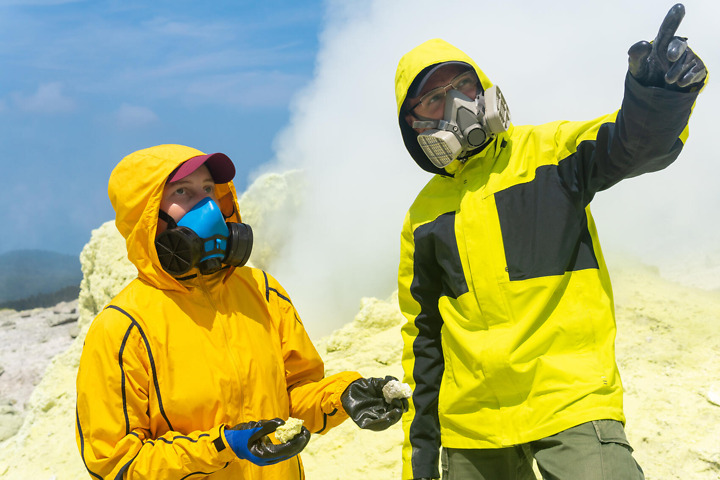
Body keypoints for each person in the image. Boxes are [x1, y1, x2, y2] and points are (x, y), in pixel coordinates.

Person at [393, 4, 706, 480]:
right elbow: (423, 343)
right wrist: (419, 462)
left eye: (463, 85)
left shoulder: (550, 153)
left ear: (484, 88)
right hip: (472, 430)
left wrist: (659, 93)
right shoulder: (423, 217)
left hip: (570, 404)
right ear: (413, 124)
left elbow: (632, 143)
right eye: (434, 98)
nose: (455, 103)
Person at [75, 143, 406, 479]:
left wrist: (344, 395)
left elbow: (293, 397)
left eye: (208, 189)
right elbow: (115, 463)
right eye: (182, 192)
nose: (206, 205)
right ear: (144, 214)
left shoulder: (262, 291)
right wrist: (223, 447)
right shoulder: (122, 328)